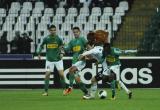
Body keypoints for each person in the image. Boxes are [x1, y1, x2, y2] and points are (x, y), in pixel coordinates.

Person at [36, 25, 67, 96]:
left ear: (56, 30)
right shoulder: (46, 38)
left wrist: (62, 53)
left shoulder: (59, 38)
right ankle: (46, 91)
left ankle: (64, 90)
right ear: (49, 31)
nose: (53, 31)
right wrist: (39, 53)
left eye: (54, 30)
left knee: (61, 75)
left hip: (58, 60)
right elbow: (41, 46)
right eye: (51, 30)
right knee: (47, 75)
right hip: (49, 60)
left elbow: (62, 46)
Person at [63, 27, 88, 95]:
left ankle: (70, 87)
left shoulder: (82, 39)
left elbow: (88, 47)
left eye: (77, 32)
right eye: (74, 32)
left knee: (71, 70)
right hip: (74, 61)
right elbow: (67, 49)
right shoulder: (72, 41)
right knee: (77, 80)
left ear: (79, 32)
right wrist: (63, 47)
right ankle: (86, 92)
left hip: (81, 61)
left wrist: (85, 53)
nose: (75, 33)